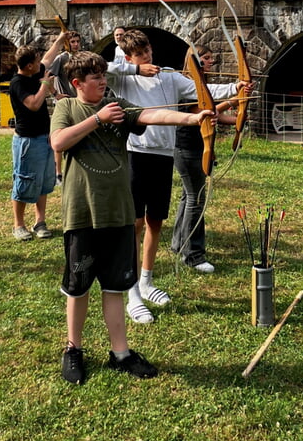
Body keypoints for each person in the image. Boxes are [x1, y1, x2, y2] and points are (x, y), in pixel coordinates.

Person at [50, 51, 216, 383]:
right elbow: (58, 141)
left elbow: (153, 115)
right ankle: (73, 349)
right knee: (78, 287)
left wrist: (193, 119)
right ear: (77, 83)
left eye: (103, 75)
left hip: (118, 212)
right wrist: (98, 119)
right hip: (82, 213)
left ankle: (121, 353)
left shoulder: (118, 107)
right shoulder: (66, 108)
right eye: (95, 77)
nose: (102, 81)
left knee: (115, 286)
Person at [106, 29, 242, 324]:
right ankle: (132, 292)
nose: (147, 57)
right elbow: (98, 67)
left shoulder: (168, 76)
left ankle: (146, 281)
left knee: (155, 221)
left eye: (147, 51)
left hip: (163, 155)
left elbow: (202, 89)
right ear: (128, 57)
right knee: (135, 224)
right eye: (139, 55)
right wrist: (135, 70)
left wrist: (236, 87)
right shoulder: (123, 78)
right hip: (135, 154)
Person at [171, 46, 237, 273]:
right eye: (206, 58)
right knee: (196, 199)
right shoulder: (188, 86)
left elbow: (213, 113)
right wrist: (233, 101)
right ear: (195, 61)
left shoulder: (199, 84)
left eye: (211, 57)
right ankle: (193, 255)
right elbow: (205, 111)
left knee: (188, 197)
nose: (211, 61)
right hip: (187, 148)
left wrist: (238, 118)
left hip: (194, 147)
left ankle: (179, 244)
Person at [9, 32, 67, 241]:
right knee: (24, 181)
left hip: (44, 136)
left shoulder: (35, 71)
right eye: (36, 61)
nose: (40, 63)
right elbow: (33, 104)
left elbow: (49, 58)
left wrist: (60, 39)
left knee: (43, 181)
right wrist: (45, 85)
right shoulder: (17, 83)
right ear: (28, 66)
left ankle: (39, 222)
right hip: (27, 141)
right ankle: (18, 225)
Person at [48, 30, 82, 184]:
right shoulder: (61, 58)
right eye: (72, 42)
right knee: (59, 137)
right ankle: (58, 173)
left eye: (77, 41)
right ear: (67, 43)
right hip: (64, 103)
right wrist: (55, 94)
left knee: (78, 136)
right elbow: (47, 75)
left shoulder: (81, 57)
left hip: (79, 102)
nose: (75, 44)